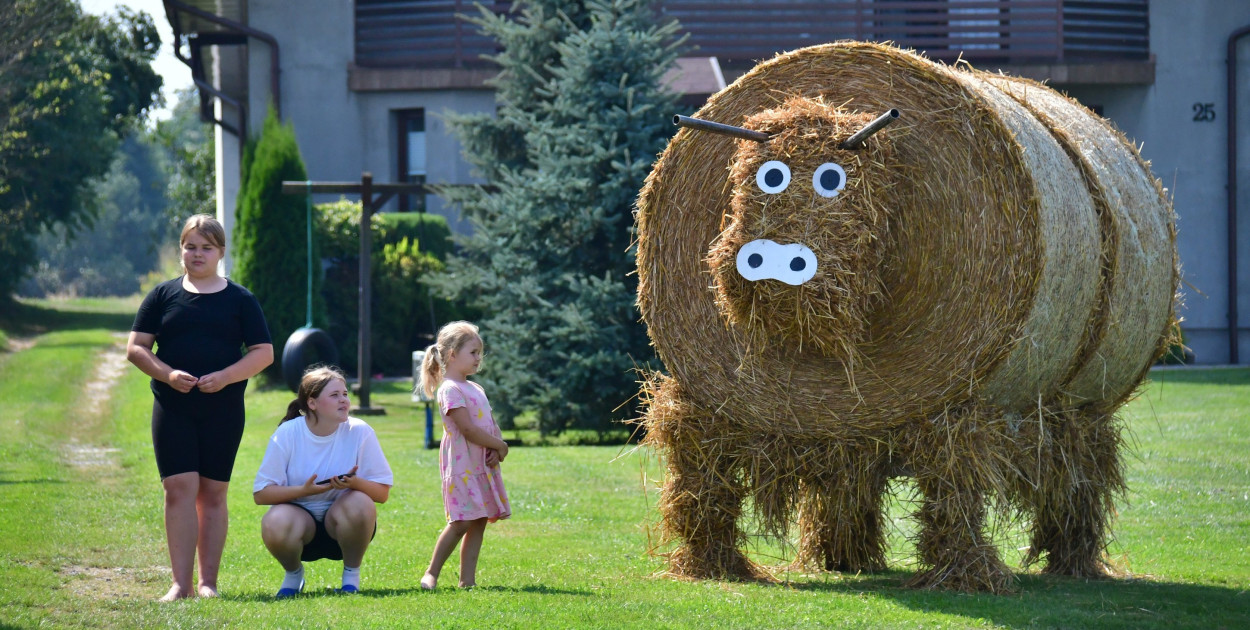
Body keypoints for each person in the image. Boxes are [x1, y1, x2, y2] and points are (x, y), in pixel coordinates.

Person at [126, 214, 274, 601]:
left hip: (223, 410)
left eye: (206, 247)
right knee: (178, 489)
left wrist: (226, 376)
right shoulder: (162, 296)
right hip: (172, 407)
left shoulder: (241, 299)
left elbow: (264, 353)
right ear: (181, 250)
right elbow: (136, 348)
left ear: (220, 252)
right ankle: (181, 584)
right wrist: (167, 374)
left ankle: (207, 583)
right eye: (190, 246)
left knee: (211, 493)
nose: (197, 254)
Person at [253, 366, 393, 597]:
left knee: (361, 502)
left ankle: (351, 577)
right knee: (274, 521)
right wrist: (303, 491)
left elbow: (382, 494)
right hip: (299, 525)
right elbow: (261, 494)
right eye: (335, 395)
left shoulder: (360, 431)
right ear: (312, 403)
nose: (344, 400)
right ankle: (293, 575)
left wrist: (354, 483)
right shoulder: (288, 433)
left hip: (342, 526)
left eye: (345, 394)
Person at [416, 321, 511, 590]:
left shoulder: (476, 388)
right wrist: (501, 446)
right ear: (452, 355)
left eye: (480, 352)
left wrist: (494, 446)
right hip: (463, 465)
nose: (478, 358)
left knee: (479, 519)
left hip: (481, 463)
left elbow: (489, 423)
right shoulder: (450, 389)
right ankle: (431, 572)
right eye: (473, 352)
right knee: (461, 521)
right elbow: (467, 429)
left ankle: (467, 581)